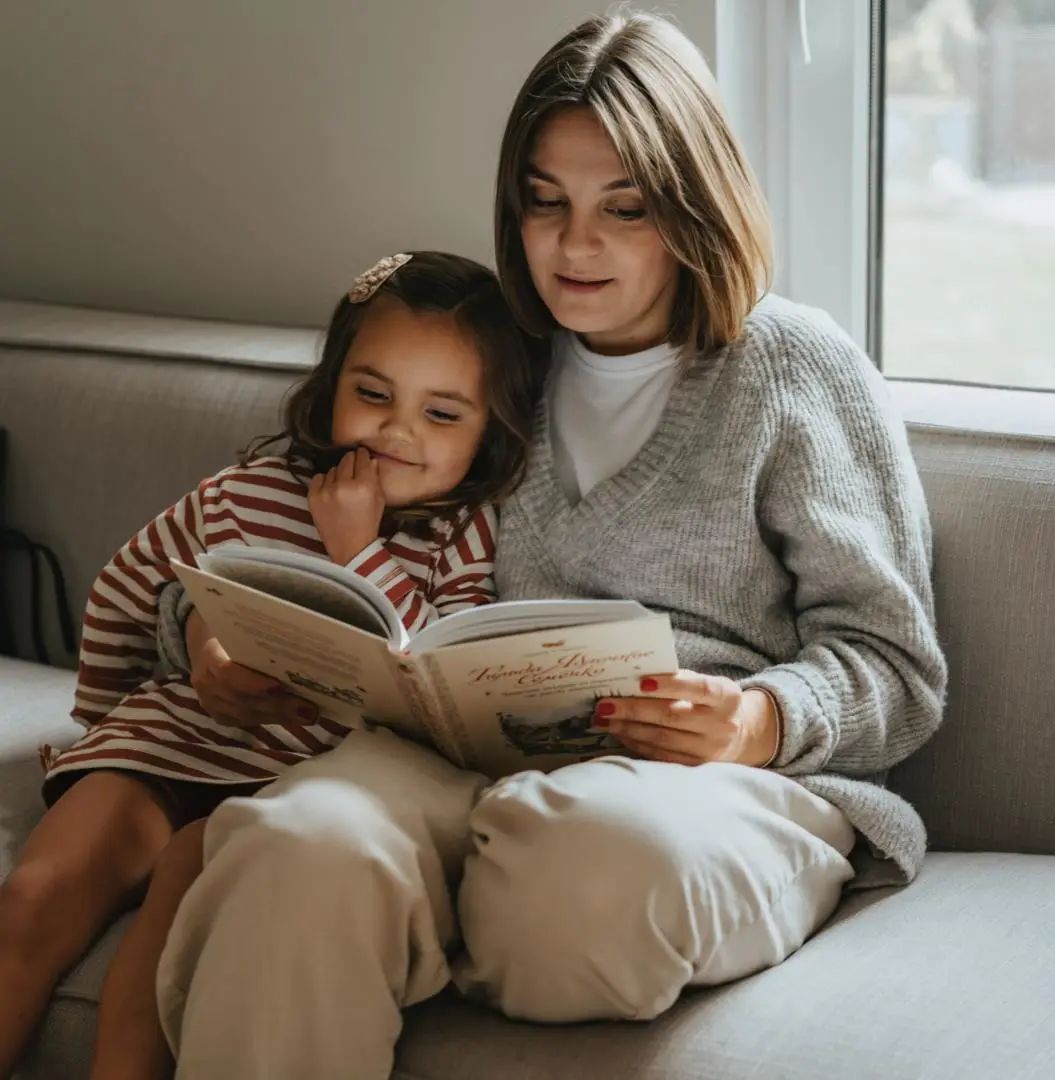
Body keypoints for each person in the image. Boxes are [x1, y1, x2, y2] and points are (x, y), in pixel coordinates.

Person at [153, 10, 947, 1080]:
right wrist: (207, 632)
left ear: (693, 204)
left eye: (626, 208)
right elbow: (277, 497)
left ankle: (441, 920)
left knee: (582, 864)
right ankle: (426, 908)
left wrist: (759, 720)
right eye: (545, 203)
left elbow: (896, 667)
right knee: (294, 851)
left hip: (710, 790)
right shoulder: (491, 357)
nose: (576, 247)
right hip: (450, 767)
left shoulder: (793, 368)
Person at [0, 251, 538, 1080]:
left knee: (178, 921)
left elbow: (442, 675)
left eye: (441, 414)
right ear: (331, 388)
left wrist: (359, 549)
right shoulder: (247, 490)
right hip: (176, 739)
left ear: (488, 429)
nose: (397, 432)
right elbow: (133, 585)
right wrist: (148, 683)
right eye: (373, 394)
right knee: (33, 899)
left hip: (297, 779)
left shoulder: (468, 534)